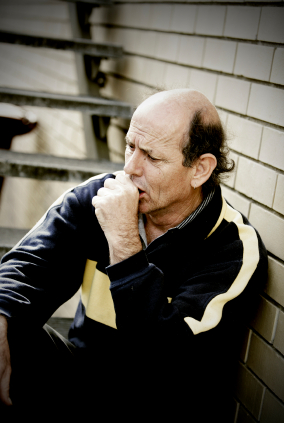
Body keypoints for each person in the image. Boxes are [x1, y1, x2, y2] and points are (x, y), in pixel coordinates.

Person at [0, 89, 267, 421]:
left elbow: (161, 358)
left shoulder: (232, 248)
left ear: (199, 169)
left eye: (151, 157)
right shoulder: (98, 195)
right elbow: (29, 267)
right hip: (78, 380)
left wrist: (123, 240)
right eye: (130, 146)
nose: (129, 168)